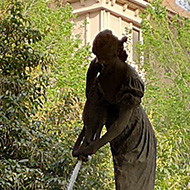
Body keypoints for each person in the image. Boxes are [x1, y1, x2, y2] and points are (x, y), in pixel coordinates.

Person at [73, 30, 157, 190]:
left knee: (130, 183)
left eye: (104, 59)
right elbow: (93, 105)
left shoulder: (130, 80)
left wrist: (95, 145)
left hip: (135, 135)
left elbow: (121, 123)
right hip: (116, 133)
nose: (101, 62)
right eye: (99, 58)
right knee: (121, 179)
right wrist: (87, 139)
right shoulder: (98, 69)